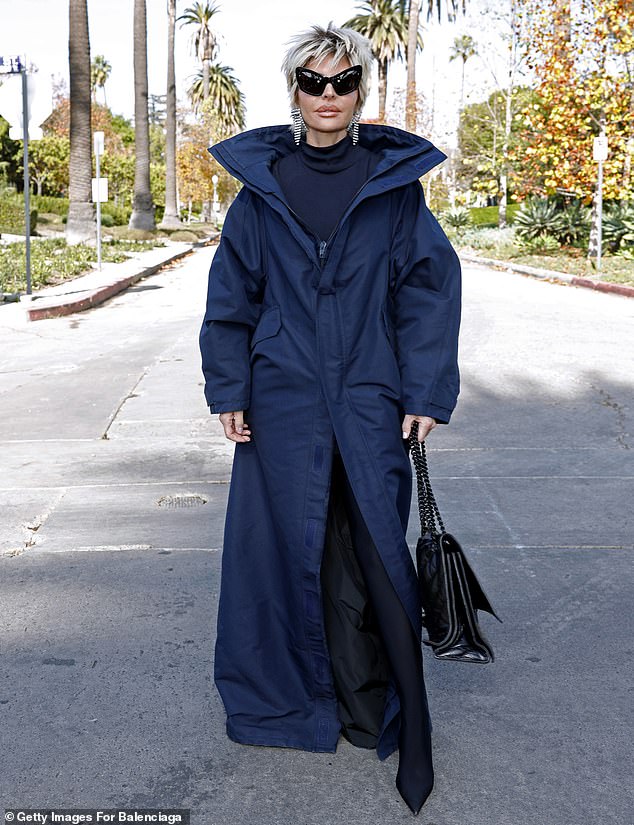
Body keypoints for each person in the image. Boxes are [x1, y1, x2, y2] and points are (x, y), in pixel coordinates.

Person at [199, 22, 462, 816]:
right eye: (312, 83)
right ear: (294, 92)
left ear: (361, 91)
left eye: (342, 82)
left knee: (377, 551)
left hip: (372, 396)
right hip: (281, 402)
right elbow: (230, 297)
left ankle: (387, 712)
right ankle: (300, 703)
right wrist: (228, 385)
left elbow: (427, 288)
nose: (327, 97)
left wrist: (424, 390)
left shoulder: (393, 188)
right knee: (289, 551)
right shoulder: (261, 191)